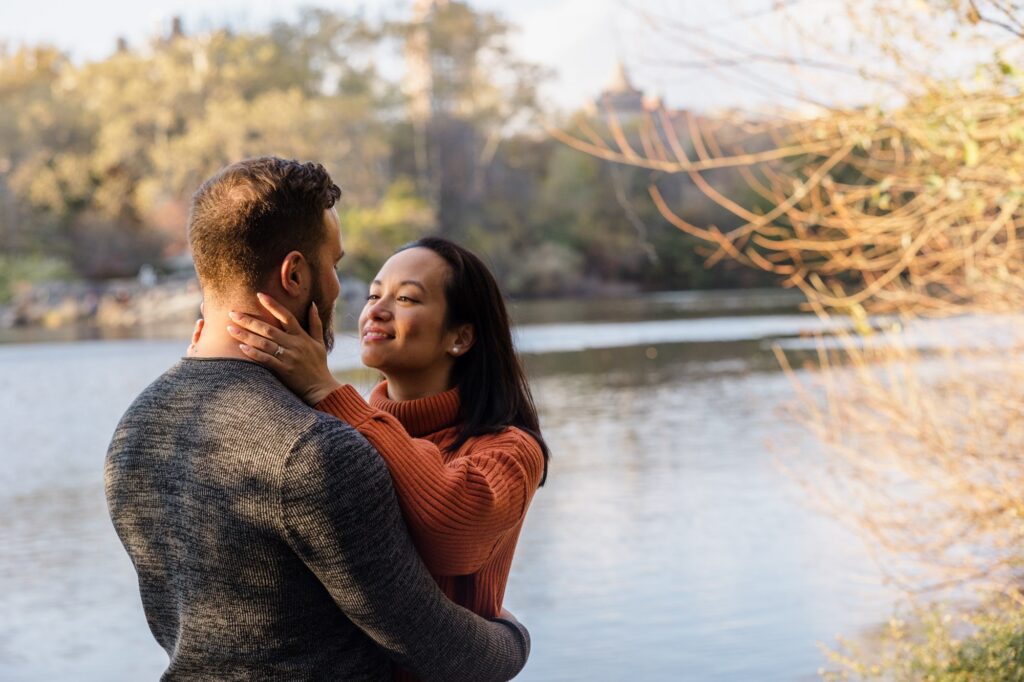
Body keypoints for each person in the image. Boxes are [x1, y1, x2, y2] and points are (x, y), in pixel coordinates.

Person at [105, 157, 530, 682]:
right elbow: (435, 647)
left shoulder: (134, 431)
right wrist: (514, 638)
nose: (342, 290)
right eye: (335, 265)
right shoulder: (317, 450)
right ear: (295, 275)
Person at [219, 236, 549, 681]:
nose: (375, 309)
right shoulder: (341, 423)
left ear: (461, 336)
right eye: (374, 295)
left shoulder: (508, 449)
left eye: (407, 298)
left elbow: (451, 531)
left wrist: (328, 393)